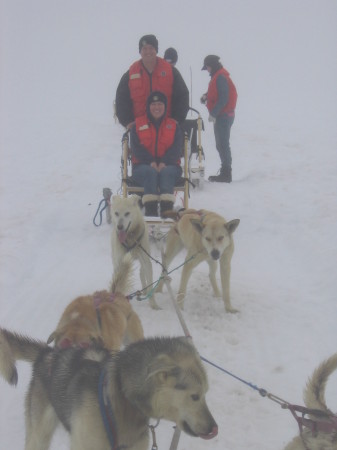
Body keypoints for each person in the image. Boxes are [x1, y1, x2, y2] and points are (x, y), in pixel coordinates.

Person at [115, 35, 189, 130]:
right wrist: (127, 122)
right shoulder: (131, 73)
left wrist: (177, 119)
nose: (148, 51)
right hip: (140, 130)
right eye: (144, 49)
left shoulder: (171, 71)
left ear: (156, 50)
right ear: (140, 51)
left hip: (166, 130)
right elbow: (121, 99)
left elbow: (182, 96)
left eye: (151, 48)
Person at [130, 91, 183, 217]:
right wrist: (151, 162)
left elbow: (177, 149)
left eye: (160, 104)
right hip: (142, 167)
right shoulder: (137, 125)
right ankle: (151, 213)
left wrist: (164, 162)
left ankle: (167, 212)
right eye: (153, 104)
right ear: (148, 107)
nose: (157, 107)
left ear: (165, 106)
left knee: (167, 172)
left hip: (170, 166)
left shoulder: (174, 126)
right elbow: (136, 148)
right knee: (150, 172)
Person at [201, 55, 237, 182]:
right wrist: (206, 96)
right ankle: (225, 171)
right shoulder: (218, 76)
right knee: (220, 144)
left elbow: (223, 98)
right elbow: (216, 93)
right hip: (223, 115)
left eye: (208, 68)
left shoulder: (220, 77)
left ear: (212, 66)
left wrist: (214, 113)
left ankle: (226, 173)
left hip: (223, 116)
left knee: (222, 144)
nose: (208, 71)